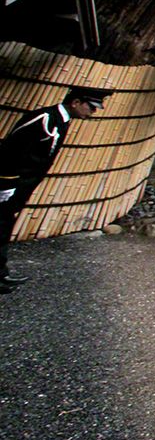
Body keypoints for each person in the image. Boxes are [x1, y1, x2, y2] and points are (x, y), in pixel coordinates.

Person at [0, 87, 110, 293]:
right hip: (10, 182)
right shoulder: (43, 118)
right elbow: (10, 150)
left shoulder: (62, 121)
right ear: (76, 102)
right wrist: (6, 183)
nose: (93, 112)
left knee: (4, 227)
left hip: (23, 184)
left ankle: (0, 273)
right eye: (91, 107)